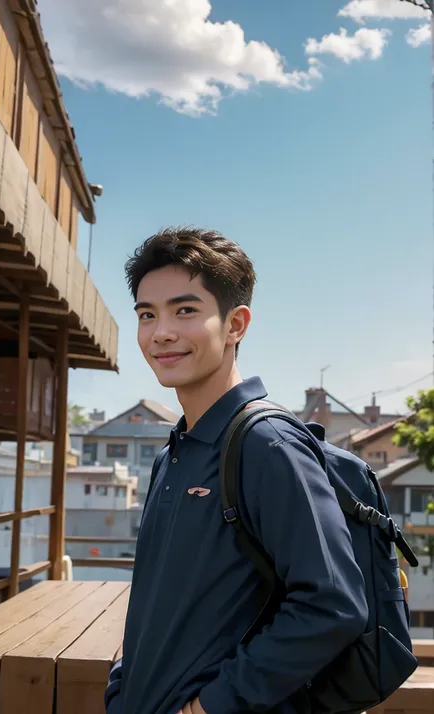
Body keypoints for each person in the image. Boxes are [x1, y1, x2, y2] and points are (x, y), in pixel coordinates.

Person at [105, 227, 368, 714]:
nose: (161, 331)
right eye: (147, 314)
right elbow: (160, 599)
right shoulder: (174, 454)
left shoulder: (268, 445)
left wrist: (212, 706)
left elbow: (332, 605)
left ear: (235, 324)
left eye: (185, 310)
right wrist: (121, 689)